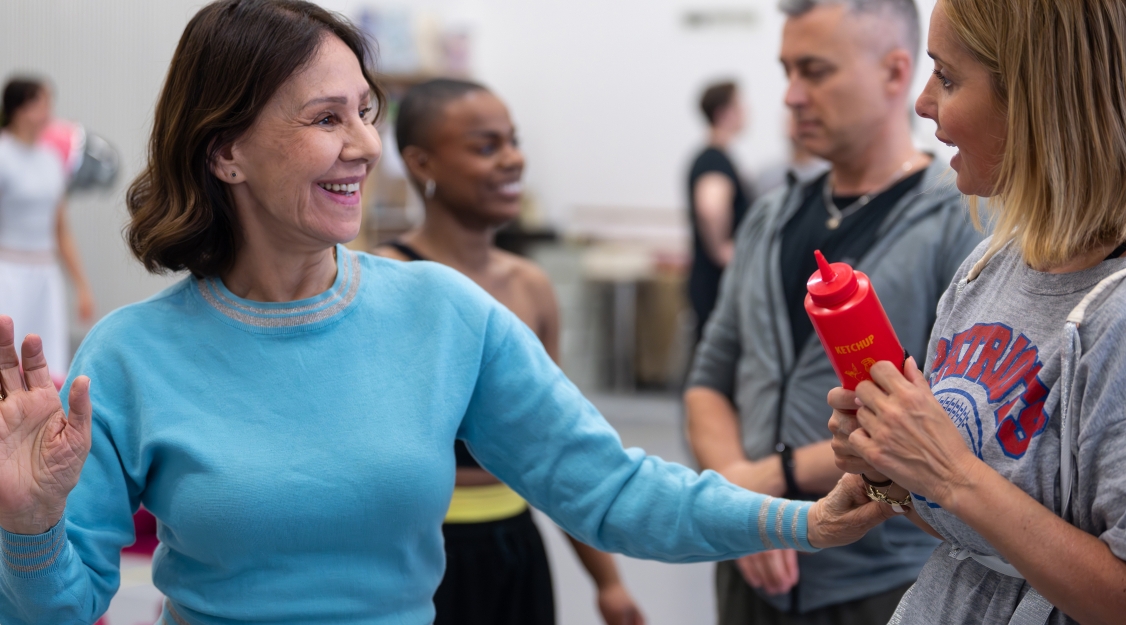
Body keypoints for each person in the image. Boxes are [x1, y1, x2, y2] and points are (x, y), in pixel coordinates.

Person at [0, 2, 905, 623]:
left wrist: (802, 518)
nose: (363, 145)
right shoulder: (128, 355)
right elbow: (62, 604)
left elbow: (609, 487)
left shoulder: (442, 312)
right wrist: (27, 524)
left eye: (366, 111)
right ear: (227, 151)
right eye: (325, 118)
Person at [828, 0, 1126, 623]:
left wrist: (949, 475)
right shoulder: (989, 270)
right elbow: (988, 532)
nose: (923, 102)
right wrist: (895, 467)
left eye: (947, 77)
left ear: (1040, 104)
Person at [685, 0, 983, 623]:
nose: (792, 95)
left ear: (895, 73)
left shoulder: (959, 224)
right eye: (787, 70)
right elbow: (711, 375)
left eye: (815, 71)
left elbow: (953, 415)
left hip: (880, 577)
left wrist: (768, 481)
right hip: (753, 562)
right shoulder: (770, 216)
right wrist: (745, 506)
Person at [372, 78, 644, 625]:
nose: (512, 160)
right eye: (485, 146)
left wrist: (608, 582)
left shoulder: (530, 287)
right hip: (418, 554)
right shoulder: (386, 282)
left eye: (513, 141)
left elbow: (555, 447)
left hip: (514, 547)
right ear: (422, 162)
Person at [0, 77, 94, 382]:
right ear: (19, 108)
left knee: (46, 361)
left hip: (45, 275)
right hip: (7, 273)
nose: (47, 112)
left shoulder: (52, 160)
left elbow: (60, 228)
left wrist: (81, 285)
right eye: (39, 104)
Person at [688, 80, 751, 342]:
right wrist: (723, 250)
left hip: (710, 280)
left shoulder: (713, 157)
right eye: (740, 104)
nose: (746, 111)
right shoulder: (714, 159)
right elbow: (710, 207)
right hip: (715, 283)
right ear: (725, 112)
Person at [753, 113, 829, 198]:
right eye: (793, 122)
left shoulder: (829, 173)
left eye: (803, 123)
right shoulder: (768, 176)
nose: (797, 130)